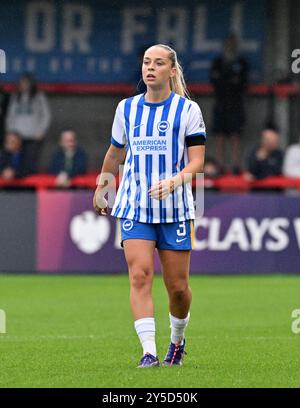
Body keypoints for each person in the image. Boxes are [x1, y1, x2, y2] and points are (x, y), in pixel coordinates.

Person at [93, 44, 206, 368]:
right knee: (140, 276)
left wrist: (174, 181)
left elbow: (197, 161)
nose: (150, 68)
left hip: (175, 209)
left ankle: (177, 342)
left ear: (172, 70)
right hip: (134, 205)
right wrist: (104, 185)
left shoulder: (187, 110)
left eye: (158, 63)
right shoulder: (126, 108)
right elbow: (116, 153)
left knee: (179, 289)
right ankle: (149, 352)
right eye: (146, 62)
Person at [209, 34, 248, 173]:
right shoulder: (218, 62)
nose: (230, 47)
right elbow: (215, 81)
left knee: (235, 134)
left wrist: (228, 81)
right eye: (228, 44)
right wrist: (229, 80)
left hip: (236, 103)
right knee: (219, 134)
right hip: (220, 102)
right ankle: (219, 165)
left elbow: (241, 83)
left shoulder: (241, 62)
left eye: (233, 44)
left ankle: (235, 165)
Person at [6, 73, 51, 173]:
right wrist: (10, 131)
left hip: (33, 136)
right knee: (15, 160)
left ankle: (30, 183)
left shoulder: (39, 96)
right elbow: (10, 115)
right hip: (17, 135)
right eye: (22, 83)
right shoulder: (15, 96)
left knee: (31, 160)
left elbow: (46, 115)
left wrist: (42, 130)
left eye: (26, 83)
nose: (24, 85)